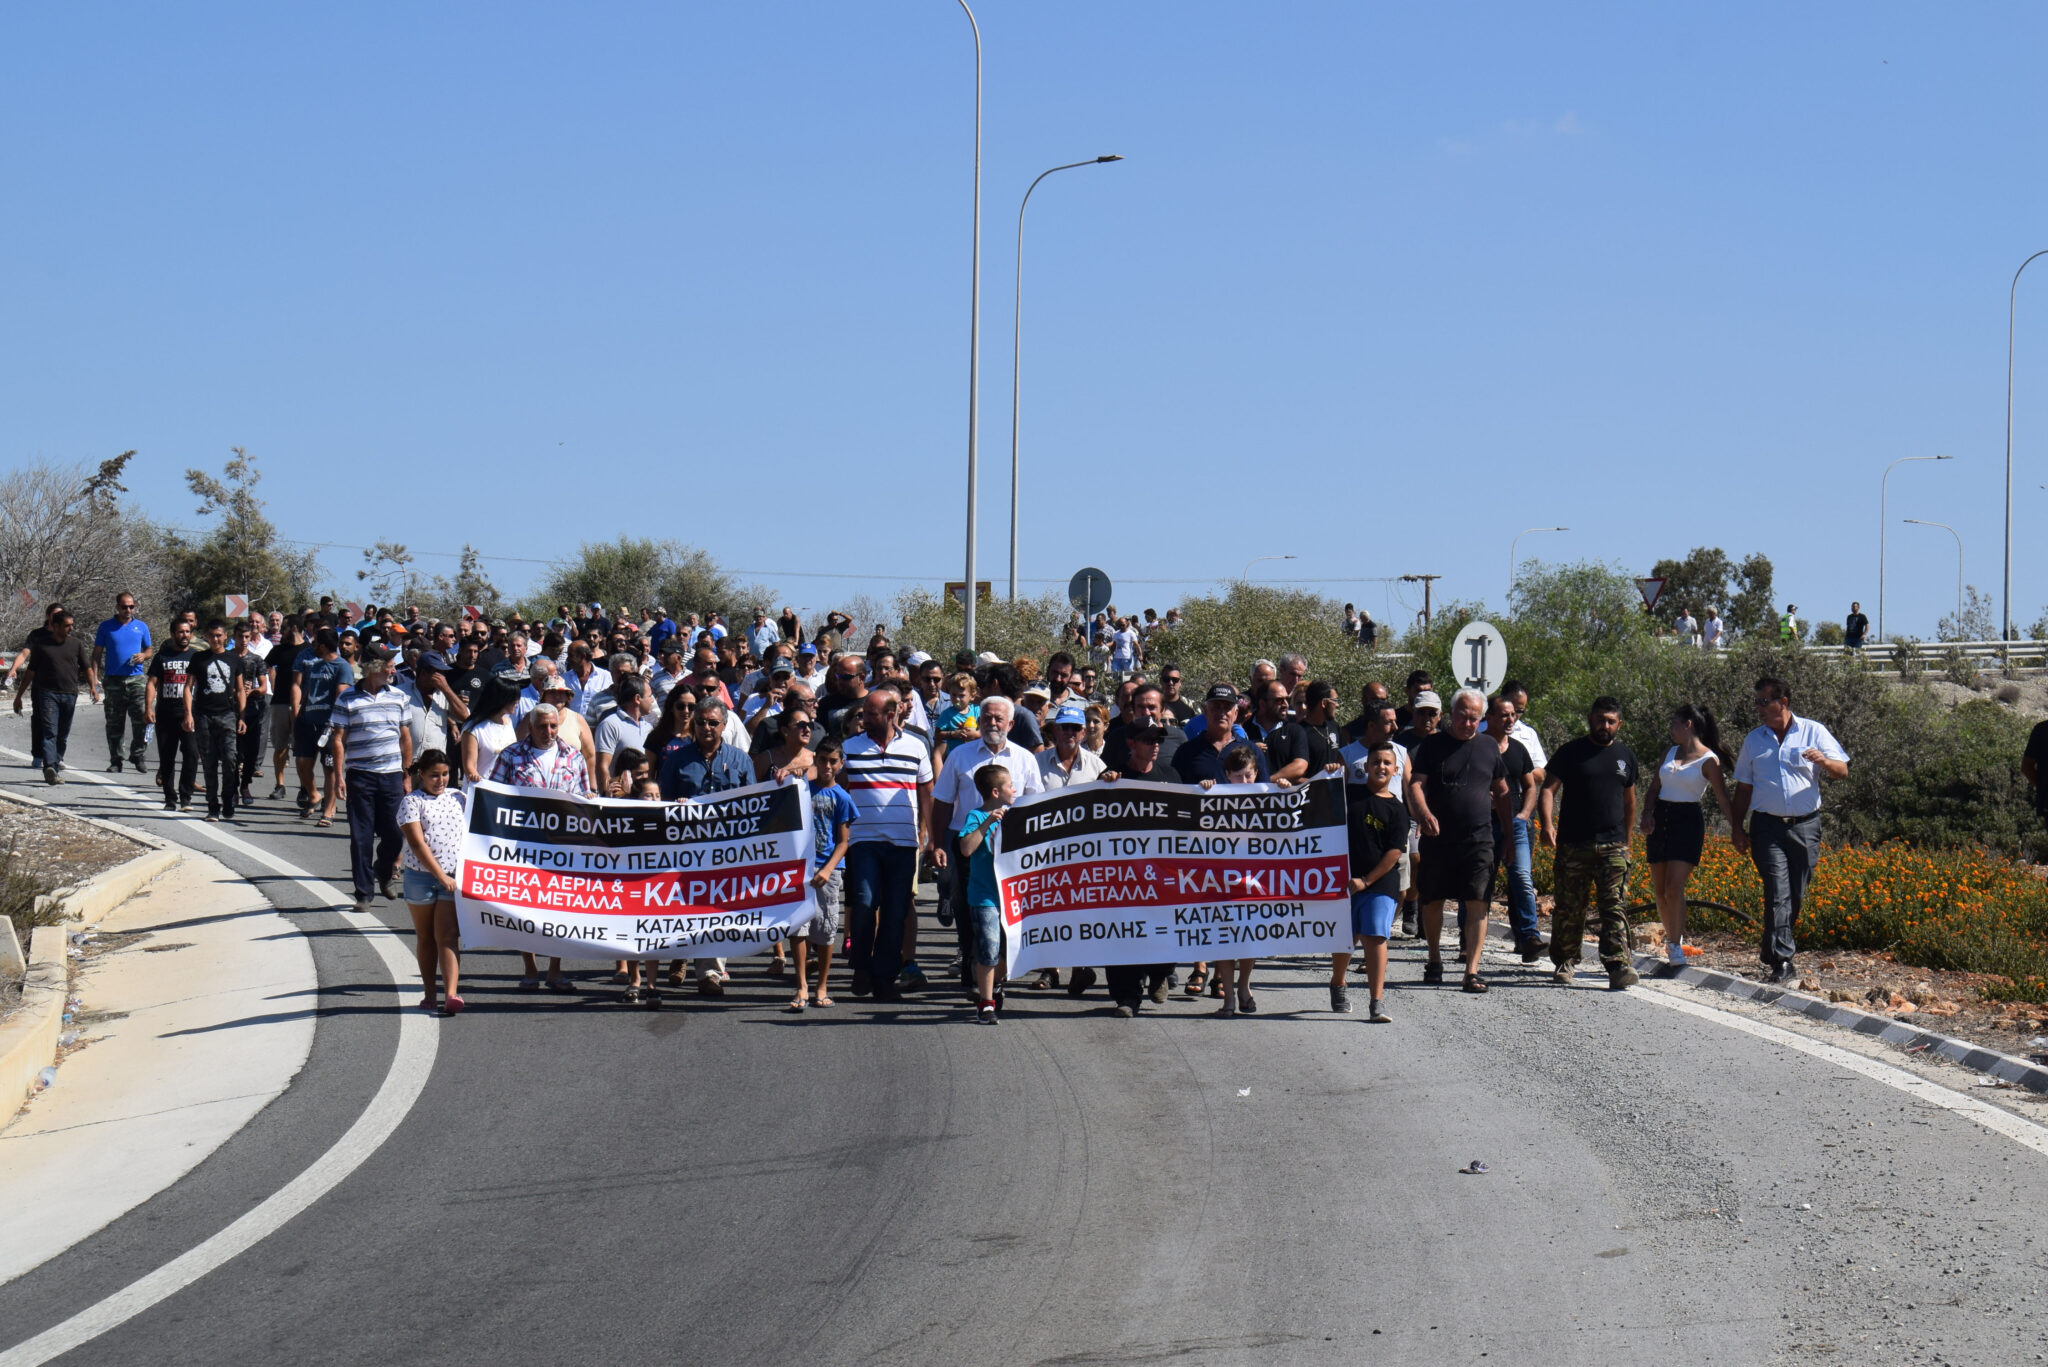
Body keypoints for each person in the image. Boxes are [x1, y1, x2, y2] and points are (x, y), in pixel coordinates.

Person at [1731, 676, 1849, 984]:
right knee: (1777, 890)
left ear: (1783, 702)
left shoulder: (1814, 731)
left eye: (1763, 702)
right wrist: (1736, 827)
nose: (1758, 709)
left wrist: (1823, 760)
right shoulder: (1754, 740)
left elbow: (1842, 770)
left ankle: (1772, 949)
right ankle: (1783, 960)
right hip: (1766, 827)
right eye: (1756, 702)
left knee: (1795, 892)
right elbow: (1743, 787)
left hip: (1805, 826)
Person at [931, 696, 1047, 994]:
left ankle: (998, 973)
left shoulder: (1024, 759)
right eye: (986, 718)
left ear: (1010, 724)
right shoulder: (961, 756)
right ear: (978, 720)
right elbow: (943, 802)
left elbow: (1037, 805)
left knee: (1006, 912)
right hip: (967, 845)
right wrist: (937, 843)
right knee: (965, 906)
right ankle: (972, 970)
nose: (992, 723)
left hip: (1012, 852)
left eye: (998, 719)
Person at [1408, 688, 1510, 992]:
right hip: (1438, 838)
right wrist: (1423, 814)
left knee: (1478, 901)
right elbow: (1416, 784)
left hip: (1478, 839)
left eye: (1474, 718)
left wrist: (1509, 834)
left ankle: (1472, 972)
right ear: (1451, 714)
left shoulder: (1489, 746)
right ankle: (1435, 959)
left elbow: (1502, 790)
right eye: (1463, 716)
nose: (1468, 723)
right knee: (1432, 899)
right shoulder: (1432, 745)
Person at [1540, 696, 1641, 990]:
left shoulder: (1626, 757)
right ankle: (1565, 961)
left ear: (1618, 724)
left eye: (1610, 721)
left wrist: (1627, 839)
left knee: (1614, 906)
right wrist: (1547, 825)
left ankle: (1618, 965)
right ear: (1590, 719)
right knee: (1570, 907)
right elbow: (1548, 789)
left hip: (1613, 845)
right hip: (1574, 844)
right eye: (1600, 720)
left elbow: (1630, 801)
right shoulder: (1571, 752)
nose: (1604, 726)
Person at [488, 702, 590, 992]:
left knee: (559, 909)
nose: (549, 731)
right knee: (526, 910)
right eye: (542, 726)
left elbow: (583, 799)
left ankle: (555, 970)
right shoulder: (511, 756)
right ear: (530, 727)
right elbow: (495, 797)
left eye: (553, 726)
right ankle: (530, 968)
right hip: (523, 848)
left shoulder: (574, 757)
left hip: (563, 849)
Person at [840, 689, 934, 1000]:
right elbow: (835, 784)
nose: (864, 719)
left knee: (896, 912)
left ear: (891, 715)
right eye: (864, 713)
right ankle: (862, 967)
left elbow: (926, 793)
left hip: (903, 843)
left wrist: (927, 835)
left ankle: (885, 977)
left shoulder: (916, 746)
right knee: (865, 905)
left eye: (872, 714)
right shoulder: (850, 748)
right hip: (863, 841)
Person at [1640, 703, 1738, 977]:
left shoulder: (1708, 761)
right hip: (1661, 818)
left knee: (1674, 887)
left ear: (1689, 725)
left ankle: (1674, 945)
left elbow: (1722, 799)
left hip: (1687, 821)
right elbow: (1653, 788)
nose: (1671, 728)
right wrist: (1647, 813)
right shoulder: (1669, 753)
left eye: (1675, 723)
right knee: (1659, 890)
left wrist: (1737, 829)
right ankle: (1672, 937)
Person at [330, 647, 415, 908]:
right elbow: (338, 740)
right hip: (360, 777)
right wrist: (339, 777)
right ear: (372, 668)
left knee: (394, 834)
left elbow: (405, 738)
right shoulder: (347, 699)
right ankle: (363, 893)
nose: (393, 670)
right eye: (388, 665)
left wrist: (406, 773)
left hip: (391, 777)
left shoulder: (399, 697)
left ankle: (383, 868)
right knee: (361, 837)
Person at [398, 749, 467, 1016]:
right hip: (421, 878)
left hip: (453, 876)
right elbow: (416, 844)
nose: (441, 780)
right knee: (426, 936)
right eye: (434, 776)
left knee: (448, 936)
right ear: (421, 776)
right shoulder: (411, 802)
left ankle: (451, 993)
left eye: (445, 774)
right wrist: (440, 875)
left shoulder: (459, 797)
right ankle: (429, 993)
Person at [787, 738, 854, 1013]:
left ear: (840, 764)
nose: (827, 766)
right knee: (797, 928)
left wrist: (827, 869)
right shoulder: (802, 790)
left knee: (825, 930)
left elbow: (843, 841)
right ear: (815, 760)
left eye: (832, 761)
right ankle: (801, 983)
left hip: (828, 870)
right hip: (799, 868)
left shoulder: (842, 797)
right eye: (822, 760)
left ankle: (822, 986)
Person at [1341, 742, 1407, 1022]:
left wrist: (1366, 881)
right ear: (1365, 767)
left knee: (1375, 937)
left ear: (1396, 769)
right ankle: (1337, 983)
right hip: (1343, 880)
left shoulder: (1398, 809)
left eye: (1386, 763)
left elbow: (1394, 853)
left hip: (1379, 883)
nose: (1381, 766)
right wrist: (1332, 773)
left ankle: (1376, 1001)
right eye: (1375, 761)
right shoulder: (1348, 795)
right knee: (1346, 938)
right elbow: (1316, 800)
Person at [1484, 693, 1545, 962]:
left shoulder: (1519, 749)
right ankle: (1467, 939)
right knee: (1479, 883)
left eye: (1513, 715)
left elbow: (1531, 785)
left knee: (1521, 878)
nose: (1510, 720)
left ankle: (1529, 937)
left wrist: (1524, 813)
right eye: (1504, 715)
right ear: (1489, 718)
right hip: (1483, 826)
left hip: (1516, 825)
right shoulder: (1478, 746)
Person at [955, 765, 1014, 1023]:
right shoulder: (976, 817)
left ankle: (997, 983)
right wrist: (989, 821)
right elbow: (966, 849)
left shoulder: (1016, 815)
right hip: (985, 896)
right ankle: (986, 1003)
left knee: (1008, 952)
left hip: (1012, 896)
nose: (1014, 790)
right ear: (995, 792)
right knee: (988, 948)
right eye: (1010, 786)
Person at [13, 608, 98, 784]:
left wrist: (93, 687)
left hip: (69, 694)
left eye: (72, 625)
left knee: (62, 734)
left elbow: (87, 668)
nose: (71, 629)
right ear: (56, 625)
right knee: (49, 731)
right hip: (47, 694)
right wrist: (19, 695)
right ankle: (49, 766)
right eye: (67, 626)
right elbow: (30, 672)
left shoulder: (76, 644)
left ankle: (56, 765)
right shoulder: (41, 645)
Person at [184, 620, 246, 821]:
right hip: (203, 715)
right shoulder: (198, 658)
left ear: (225, 636)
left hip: (227, 715)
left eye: (219, 635)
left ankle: (228, 797)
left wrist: (241, 717)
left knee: (230, 760)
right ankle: (212, 805)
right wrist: (188, 714)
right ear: (207, 637)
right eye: (212, 636)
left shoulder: (234, 659)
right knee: (209, 762)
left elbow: (240, 690)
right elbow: (188, 687)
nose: (215, 639)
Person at [292, 630, 355, 824]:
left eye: (315, 643)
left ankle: (329, 809)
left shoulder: (342, 667)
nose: (312, 646)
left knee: (329, 768)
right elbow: (307, 691)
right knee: (302, 764)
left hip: (329, 724)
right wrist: (299, 714)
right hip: (308, 720)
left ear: (323, 646)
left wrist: (336, 724)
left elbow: (341, 695)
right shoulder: (315, 666)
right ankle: (313, 795)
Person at [92, 593, 152, 773]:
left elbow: (149, 649)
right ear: (117, 607)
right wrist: (95, 678)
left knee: (143, 717)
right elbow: (96, 654)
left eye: (131, 607)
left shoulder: (141, 627)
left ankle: (138, 754)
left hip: (136, 680)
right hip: (113, 681)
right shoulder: (106, 627)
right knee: (114, 722)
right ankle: (116, 760)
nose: (128, 610)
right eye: (124, 607)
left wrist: (144, 655)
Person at [144, 618, 199, 812]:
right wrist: (148, 708)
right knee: (167, 758)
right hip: (166, 714)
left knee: (192, 755)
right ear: (173, 634)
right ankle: (170, 798)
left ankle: (186, 798)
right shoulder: (162, 657)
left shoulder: (196, 657)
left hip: (189, 715)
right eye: (180, 632)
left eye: (187, 632)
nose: (184, 635)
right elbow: (152, 683)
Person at [232, 618, 271, 807]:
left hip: (253, 710)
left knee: (251, 752)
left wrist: (251, 691)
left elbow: (264, 686)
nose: (244, 640)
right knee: (233, 752)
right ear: (234, 637)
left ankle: (245, 785)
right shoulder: (228, 657)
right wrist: (235, 691)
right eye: (240, 637)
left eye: (247, 637)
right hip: (230, 710)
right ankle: (232, 787)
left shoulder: (256, 660)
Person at [592, 675, 654, 793]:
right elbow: (602, 766)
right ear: (637, 699)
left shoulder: (648, 727)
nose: (652, 700)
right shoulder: (610, 724)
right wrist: (607, 795)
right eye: (649, 696)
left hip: (643, 798)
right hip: (619, 801)